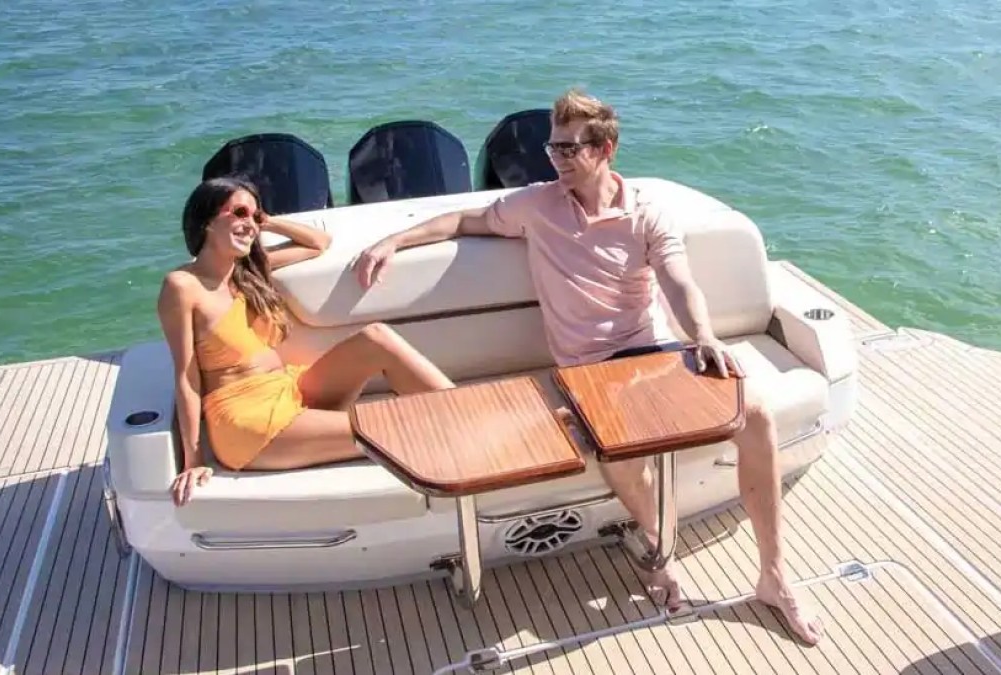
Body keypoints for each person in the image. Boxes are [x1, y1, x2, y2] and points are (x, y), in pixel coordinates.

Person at [353, 90, 824, 645]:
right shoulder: (537, 206)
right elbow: (463, 219)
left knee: (758, 414)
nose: (557, 159)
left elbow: (679, 282)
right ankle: (658, 549)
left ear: (605, 149)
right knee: (616, 449)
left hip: (654, 351)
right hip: (588, 369)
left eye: (569, 148)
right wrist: (393, 240)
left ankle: (774, 576)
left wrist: (703, 336)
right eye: (552, 147)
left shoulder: (646, 212)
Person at [157, 176, 454, 507]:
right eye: (239, 212)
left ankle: (469, 410)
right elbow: (186, 376)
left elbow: (318, 243)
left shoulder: (248, 270)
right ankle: (465, 436)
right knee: (397, 427)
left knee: (376, 337)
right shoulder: (182, 286)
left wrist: (267, 221)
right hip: (248, 421)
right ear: (207, 219)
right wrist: (193, 459)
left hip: (289, 389)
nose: (250, 224)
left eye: (255, 215)